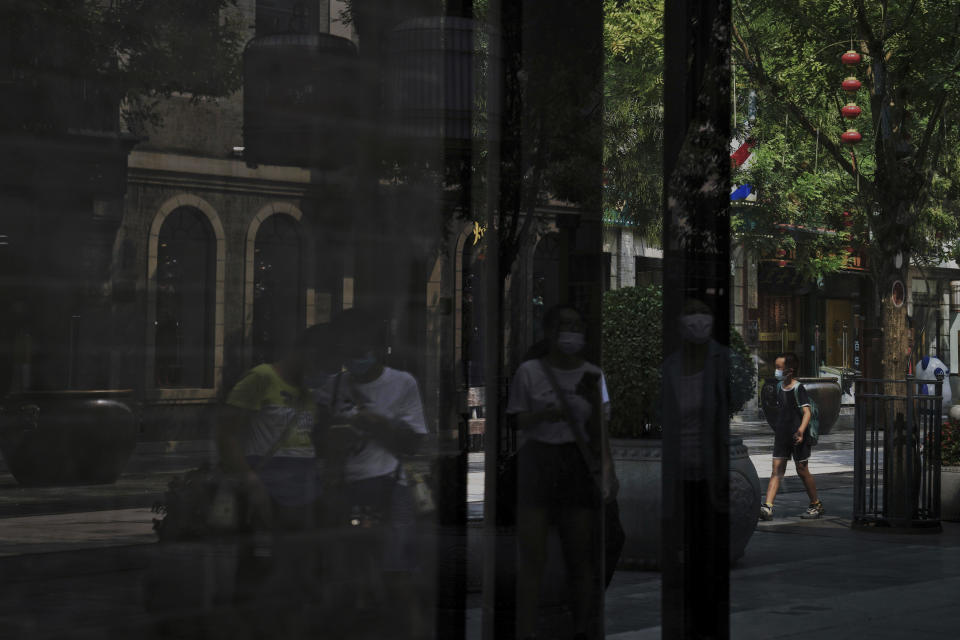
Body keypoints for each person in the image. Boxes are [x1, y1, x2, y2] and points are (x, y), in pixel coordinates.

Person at [315, 308, 429, 637]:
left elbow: (413, 443)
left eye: (359, 350)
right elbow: (317, 439)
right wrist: (332, 437)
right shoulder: (332, 387)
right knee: (348, 575)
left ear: (376, 348)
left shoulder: (401, 383)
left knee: (397, 575)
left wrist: (375, 423)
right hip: (345, 487)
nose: (354, 358)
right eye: (347, 351)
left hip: (389, 485)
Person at [507, 304, 617, 640]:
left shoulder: (592, 375)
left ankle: (583, 628)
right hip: (539, 459)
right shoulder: (530, 372)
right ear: (550, 332)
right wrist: (546, 415)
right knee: (532, 558)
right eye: (564, 325)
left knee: (580, 556)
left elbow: (601, 428)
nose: (571, 332)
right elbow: (515, 418)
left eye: (576, 325)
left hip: (575, 462)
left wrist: (609, 470)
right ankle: (524, 629)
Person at [760, 352, 824, 520]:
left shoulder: (798, 388)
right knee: (776, 470)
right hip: (782, 435)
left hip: (797, 435)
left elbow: (807, 412)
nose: (776, 371)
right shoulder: (778, 387)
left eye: (779, 368)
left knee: (802, 470)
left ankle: (816, 504)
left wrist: (801, 431)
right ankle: (768, 506)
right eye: (776, 367)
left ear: (790, 369)